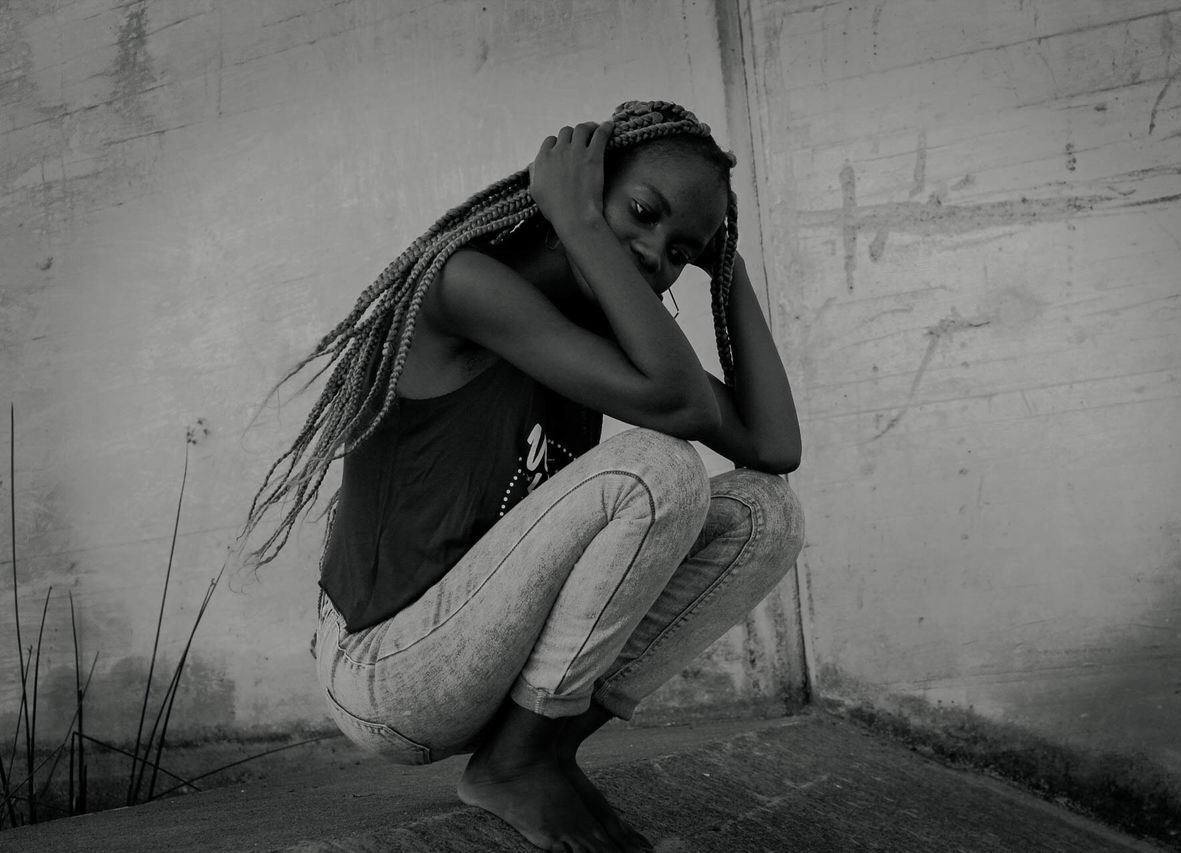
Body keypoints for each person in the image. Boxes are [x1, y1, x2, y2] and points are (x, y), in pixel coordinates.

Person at [239, 101, 804, 853]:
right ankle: (516, 762)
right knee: (657, 468)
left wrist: (724, 261)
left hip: (493, 660)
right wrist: (574, 218)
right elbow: (676, 402)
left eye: (678, 250)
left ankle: (536, 746)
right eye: (640, 211)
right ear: (580, 185)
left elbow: (773, 446)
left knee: (767, 515)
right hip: (391, 672)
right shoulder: (465, 285)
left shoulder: (604, 332)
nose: (652, 253)